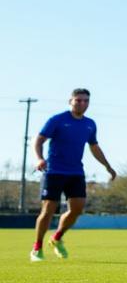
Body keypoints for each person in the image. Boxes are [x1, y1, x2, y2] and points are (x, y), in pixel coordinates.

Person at [30, 89, 116, 261]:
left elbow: (94, 147)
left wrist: (107, 166)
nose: (82, 104)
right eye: (78, 100)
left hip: (76, 172)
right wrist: (39, 158)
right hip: (54, 171)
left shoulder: (90, 124)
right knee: (48, 210)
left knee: (77, 209)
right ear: (70, 101)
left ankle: (57, 238)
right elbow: (38, 140)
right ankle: (37, 248)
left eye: (86, 101)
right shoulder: (57, 120)